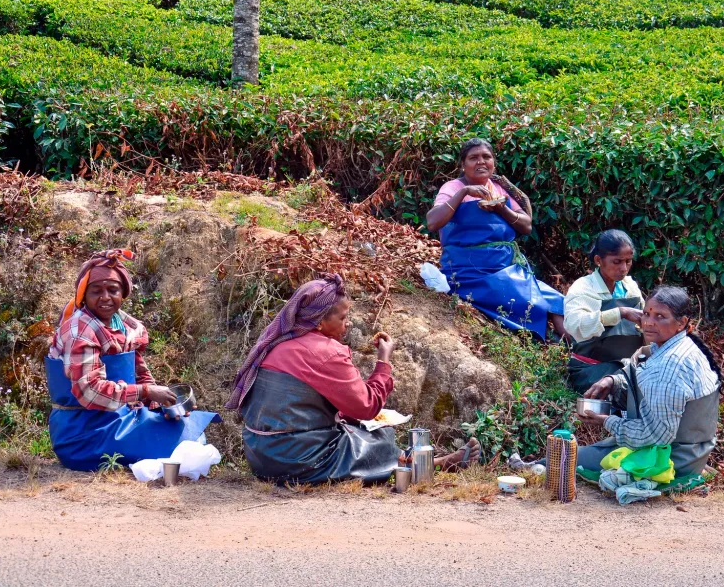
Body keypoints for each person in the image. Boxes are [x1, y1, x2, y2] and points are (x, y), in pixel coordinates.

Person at [227, 276, 480, 485]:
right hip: (298, 461)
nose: (346, 326)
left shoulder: (274, 343)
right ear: (319, 322)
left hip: (259, 457)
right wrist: (384, 361)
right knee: (380, 436)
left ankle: (422, 462)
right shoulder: (326, 352)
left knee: (357, 429)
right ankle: (431, 465)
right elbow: (367, 408)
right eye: (343, 318)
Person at [45, 250, 220, 471]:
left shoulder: (124, 326)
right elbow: (89, 391)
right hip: (83, 434)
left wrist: (159, 402)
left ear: (123, 293)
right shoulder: (81, 331)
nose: (106, 297)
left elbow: (139, 372)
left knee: (192, 432)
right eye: (96, 291)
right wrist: (145, 392)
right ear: (83, 296)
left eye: (113, 290)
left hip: (117, 420)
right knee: (189, 445)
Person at [426, 138, 566, 339]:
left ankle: (574, 350)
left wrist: (501, 209)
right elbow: (432, 222)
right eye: (473, 158)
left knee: (557, 302)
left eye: (486, 157)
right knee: (532, 300)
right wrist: (464, 192)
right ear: (463, 165)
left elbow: (526, 226)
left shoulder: (499, 189)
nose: (481, 162)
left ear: (494, 162)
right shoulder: (452, 187)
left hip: (505, 268)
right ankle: (546, 340)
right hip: (470, 273)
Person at [580, 286, 723, 481]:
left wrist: (607, 421)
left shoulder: (670, 366)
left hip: (666, 462)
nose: (648, 322)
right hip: (692, 454)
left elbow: (655, 436)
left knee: (567, 459)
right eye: (647, 313)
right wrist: (612, 380)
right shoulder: (673, 347)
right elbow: (638, 368)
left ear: (681, 323)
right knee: (587, 453)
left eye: (660, 317)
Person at [564, 230, 645, 394]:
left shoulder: (630, 287)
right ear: (598, 260)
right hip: (589, 369)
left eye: (628, 262)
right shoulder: (583, 288)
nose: (623, 268)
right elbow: (575, 325)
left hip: (626, 365)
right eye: (617, 262)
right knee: (633, 386)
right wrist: (619, 313)